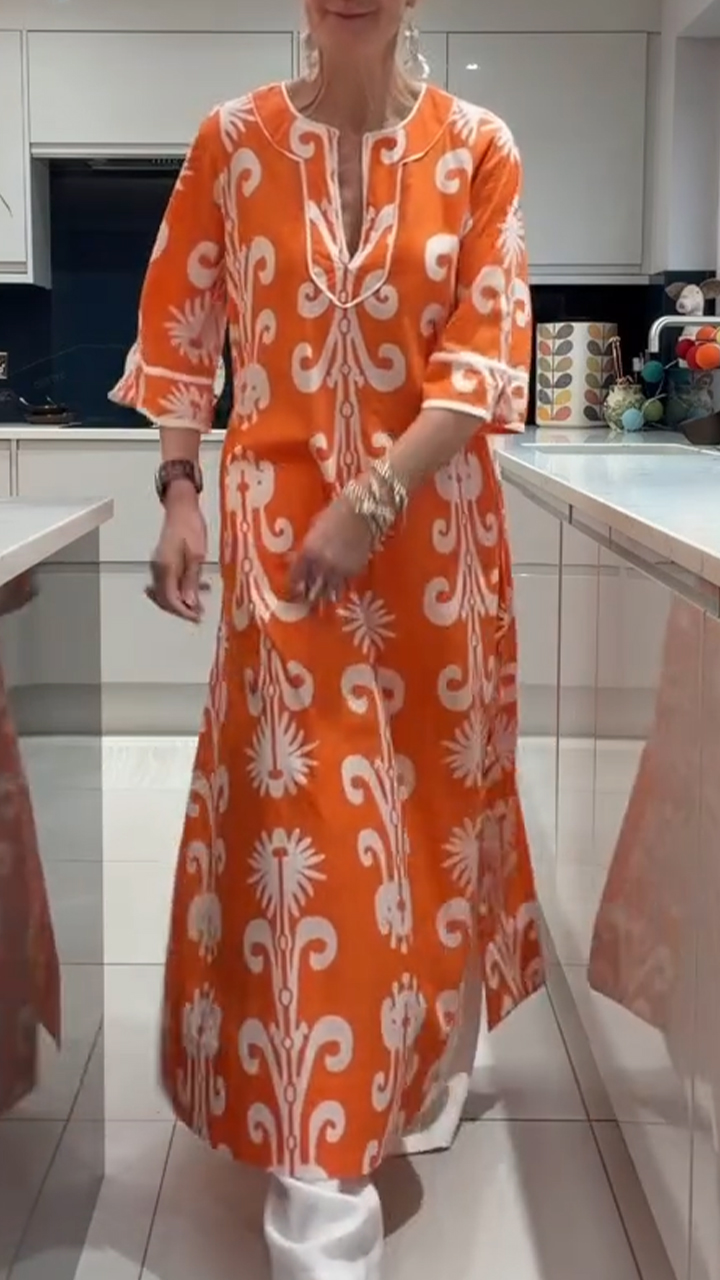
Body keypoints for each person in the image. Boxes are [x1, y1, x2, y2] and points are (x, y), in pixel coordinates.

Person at [110, 1, 543, 1275]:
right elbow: (182, 325)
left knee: (433, 828)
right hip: (283, 562)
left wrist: (375, 499)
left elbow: (482, 357)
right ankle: (322, 1201)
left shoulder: (480, 148)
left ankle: (417, 1072)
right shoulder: (233, 142)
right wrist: (179, 489)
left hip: (436, 554)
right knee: (311, 849)